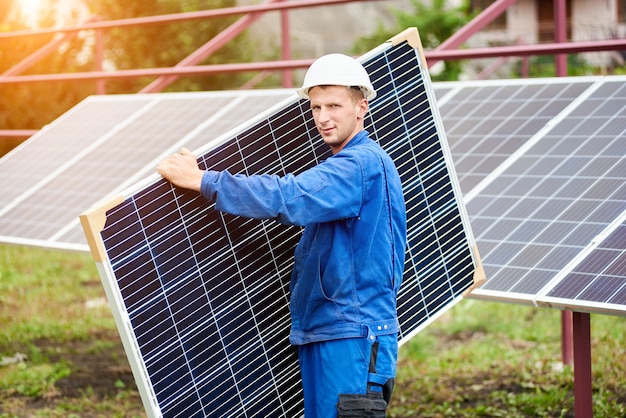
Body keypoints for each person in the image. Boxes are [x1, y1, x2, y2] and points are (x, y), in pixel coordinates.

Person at [157, 53, 407, 417]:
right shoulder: (347, 166)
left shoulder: (360, 165)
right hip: (329, 330)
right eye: (316, 106)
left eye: (334, 105)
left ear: (361, 107)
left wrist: (204, 181)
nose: (323, 117)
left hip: (354, 336)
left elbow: (288, 197)